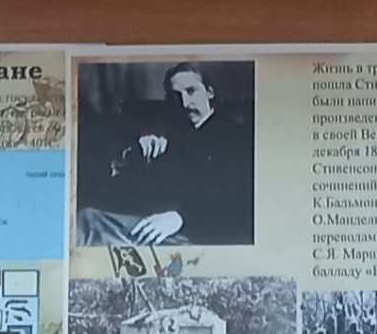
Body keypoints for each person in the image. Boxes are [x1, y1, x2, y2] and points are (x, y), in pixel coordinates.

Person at [75, 62, 255, 248]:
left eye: (191, 91)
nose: (185, 103)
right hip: (159, 223)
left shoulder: (235, 136)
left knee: (88, 228)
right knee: (87, 218)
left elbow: (234, 198)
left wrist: (181, 218)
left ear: (209, 92)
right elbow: (143, 185)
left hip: (199, 234)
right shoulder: (173, 133)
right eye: (176, 96)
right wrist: (136, 150)